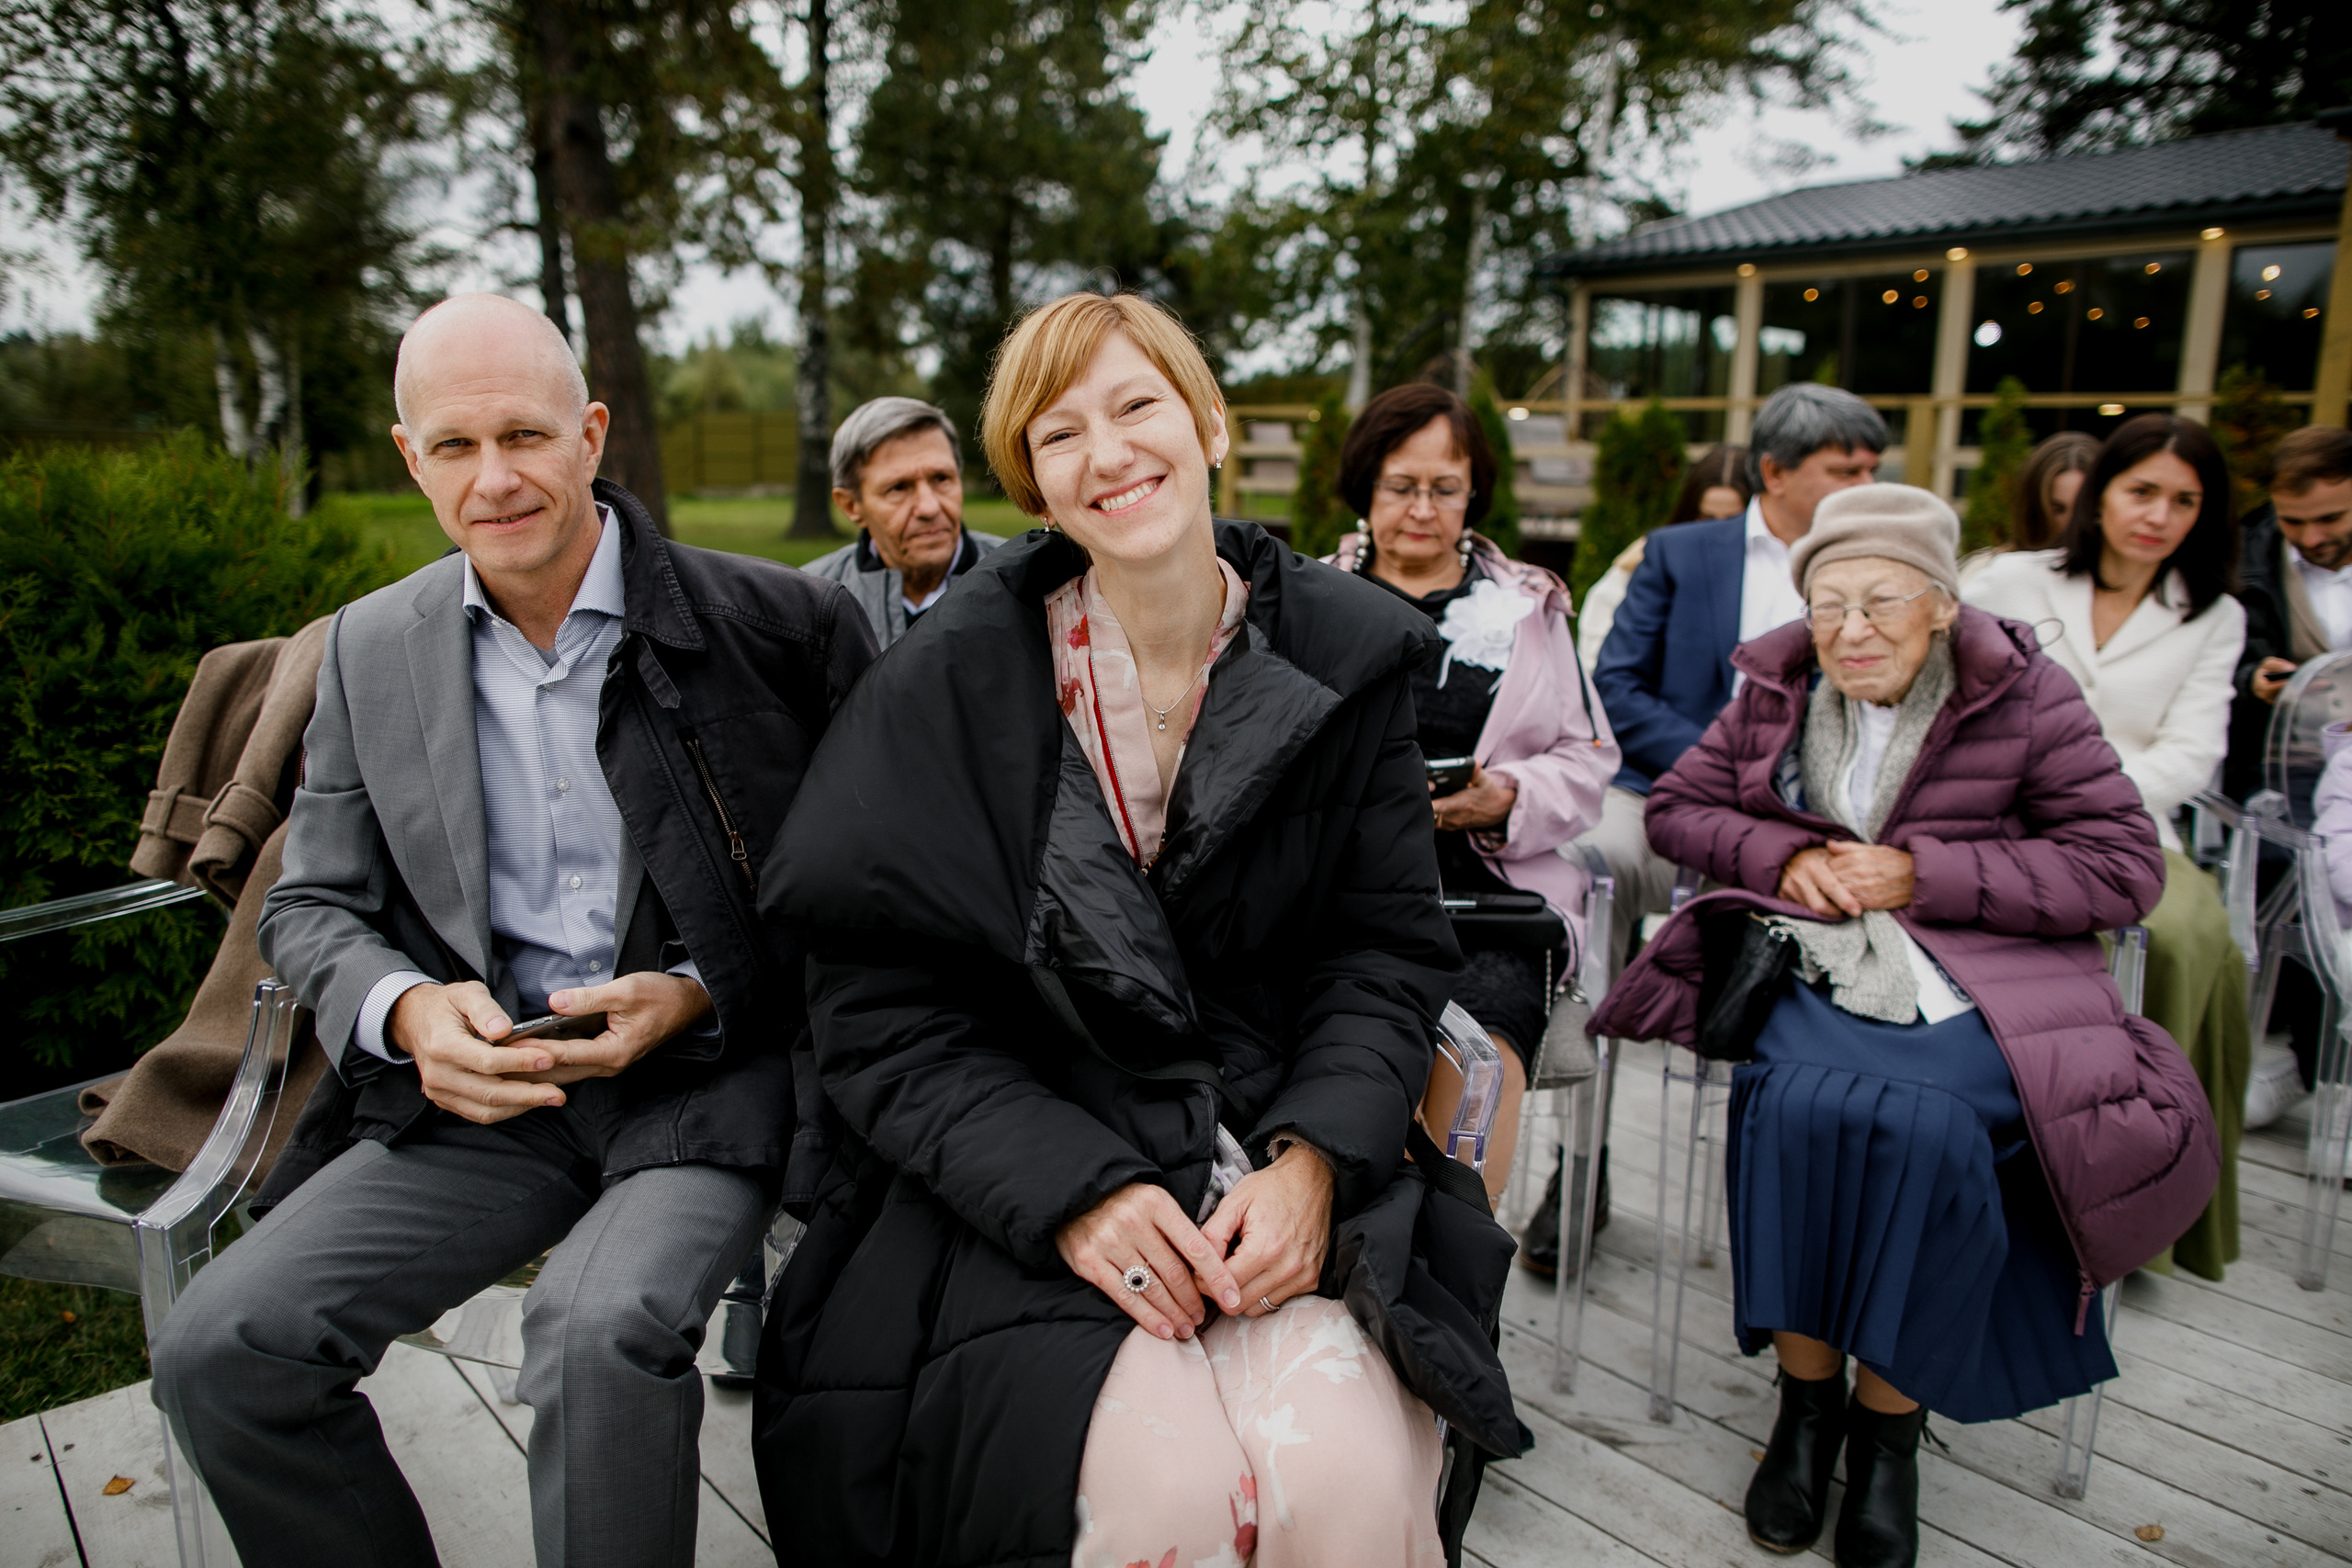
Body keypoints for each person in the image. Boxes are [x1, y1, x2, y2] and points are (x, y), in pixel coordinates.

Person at [750, 292, 1526, 1567]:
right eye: (1059, 436)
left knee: (1344, 1475)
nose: (1106, 454)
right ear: (1034, 485)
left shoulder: (1350, 656)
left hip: (1271, 1142)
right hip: (1020, 1163)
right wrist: (1073, 1193)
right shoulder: (946, 689)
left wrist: (1316, 1161)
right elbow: (880, 1008)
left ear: (1207, 419)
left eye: (1136, 405)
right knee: (1161, 1496)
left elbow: (1381, 953)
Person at [148, 294, 877, 1568]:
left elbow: (871, 885)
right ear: (408, 459)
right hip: (493, 1093)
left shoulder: (778, 625)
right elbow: (311, 903)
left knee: (592, 1338)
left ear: (591, 433)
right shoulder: (373, 648)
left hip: (707, 1083)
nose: (496, 479)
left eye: (528, 435)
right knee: (224, 1345)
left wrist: (699, 988)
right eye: (454, 447)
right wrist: (409, 1008)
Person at [1597, 484, 2219, 1568]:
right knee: (1787, 1105)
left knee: (1924, 1130)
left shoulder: (2026, 695)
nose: (1851, 631)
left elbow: (2122, 868)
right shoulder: (1776, 687)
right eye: (1827, 605)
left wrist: (1924, 873)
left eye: (1881, 602)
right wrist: (1782, 858)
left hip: (1983, 979)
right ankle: (1803, 1407)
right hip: (1820, 968)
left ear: (1940, 605)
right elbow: (1679, 809)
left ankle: (1889, 1433)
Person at [1963, 414, 2246, 1280]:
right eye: (2142, 490)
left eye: (2184, 499)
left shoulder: (2215, 614)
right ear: (2100, 494)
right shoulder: (2011, 577)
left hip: (2130, 828)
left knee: (2190, 936)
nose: (2159, 514)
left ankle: (2143, 1208)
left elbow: (2193, 754)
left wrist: (2086, 795)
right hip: (1992, 817)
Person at [1325, 382, 1621, 1201]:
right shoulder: (1307, 599)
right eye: (1400, 485)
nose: (1422, 507)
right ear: (1366, 488)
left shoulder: (1530, 608)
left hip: (1492, 897)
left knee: (1474, 1075)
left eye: (1444, 488)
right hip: (1338, 892)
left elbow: (1590, 757)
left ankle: (1455, 1281)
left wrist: (1505, 797)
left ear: (1473, 493)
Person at [1586, 384, 1885, 970]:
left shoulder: (1878, 567)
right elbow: (1617, 690)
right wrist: (1724, 767)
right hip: (1665, 789)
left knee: (1852, 891)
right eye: (1846, 471)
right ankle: (1580, 1045)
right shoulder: (1677, 553)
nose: (1867, 489)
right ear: (1774, 472)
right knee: (1587, 856)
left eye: (1873, 470)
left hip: (1819, 810)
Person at [2223, 426, 2352, 1132]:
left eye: (2331, 518)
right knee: (2295, 876)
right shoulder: (2249, 552)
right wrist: (2254, 678)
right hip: (2281, 763)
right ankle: (2314, 1064)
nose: (2310, 536)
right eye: (2295, 520)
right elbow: (2223, 654)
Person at [802, 395, 1005, 649]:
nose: (929, 507)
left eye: (941, 478)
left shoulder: (1023, 583)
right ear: (851, 505)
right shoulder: (809, 603)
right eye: (898, 488)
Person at [1576, 443, 1754, 664]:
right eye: (1706, 519)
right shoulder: (1651, 558)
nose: (1717, 533)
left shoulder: (1770, 568)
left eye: (1732, 521)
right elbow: (1597, 654)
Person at [1957, 430, 2098, 585]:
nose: (2073, 524)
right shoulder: (1985, 572)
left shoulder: (2120, 581)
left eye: (2083, 508)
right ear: (2034, 510)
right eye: (2057, 510)